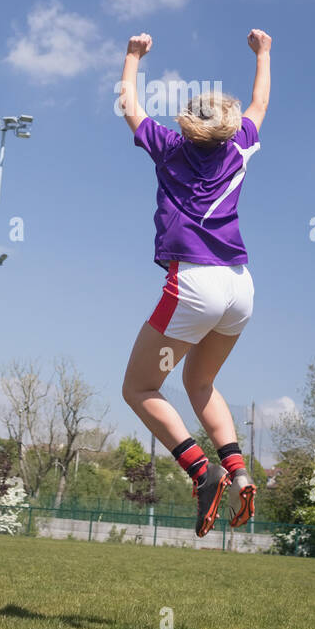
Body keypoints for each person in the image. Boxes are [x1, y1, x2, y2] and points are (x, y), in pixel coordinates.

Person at [119, 28, 271, 536]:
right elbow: (260, 101)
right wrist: (262, 53)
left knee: (140, 386)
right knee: (200, 382)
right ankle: (238, 470)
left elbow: (129, 107)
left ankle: (202, 473)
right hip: (239, 289)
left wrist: (133, 57)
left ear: (187, 125)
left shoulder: (168, 148)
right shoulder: (242, 145)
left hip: (195, 287)